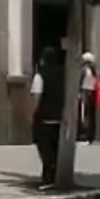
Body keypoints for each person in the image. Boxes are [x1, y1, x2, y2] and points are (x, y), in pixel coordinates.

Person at [28, 47, 64, 189]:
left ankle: (48, 178)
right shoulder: (63, 74)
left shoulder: (40, 75)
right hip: (58, 117)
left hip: (44, 117)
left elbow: (37, 96)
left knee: (45, 149)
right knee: (55, 149)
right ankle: (54, 177)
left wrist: (31, 114)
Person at [78, 52, 99, 145]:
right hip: (93, 92)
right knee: (91, 115)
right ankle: (91, 136)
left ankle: (86, 136)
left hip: (85, 92)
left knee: (85, 115)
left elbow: (80, 82)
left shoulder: (84, 70)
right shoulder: (94, 70)